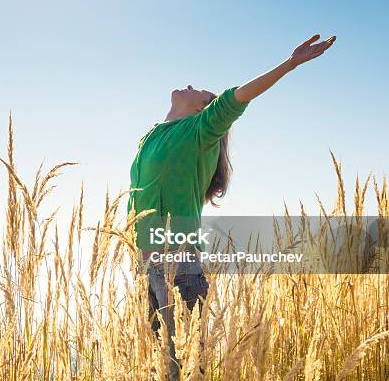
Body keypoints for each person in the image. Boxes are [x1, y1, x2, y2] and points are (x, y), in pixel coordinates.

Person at [127, 34, 336, 380]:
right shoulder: (150, 137)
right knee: (160, 371)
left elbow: (237, 98)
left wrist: (291, 62)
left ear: (204, 108)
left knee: (191, 370)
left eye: (203, 91)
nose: (191, 85)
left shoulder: (199, 131)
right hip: (145, 271)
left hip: (181, 271)